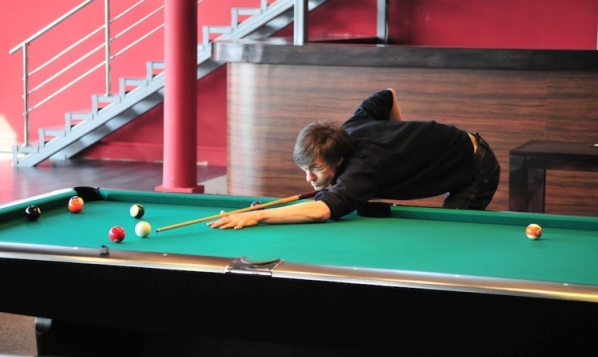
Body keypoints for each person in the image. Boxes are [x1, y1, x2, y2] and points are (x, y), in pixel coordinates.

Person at [208, 89, 500, 230]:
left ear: (339, 159)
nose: (309, 178)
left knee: (452, 230)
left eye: (316, 169)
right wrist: (399, 139)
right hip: (455, 146)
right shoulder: (348, 129)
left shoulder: (364, 167)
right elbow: (386, 95)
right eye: (304, 169)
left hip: (476, 166)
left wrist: (258, 216)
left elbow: (322, 210)